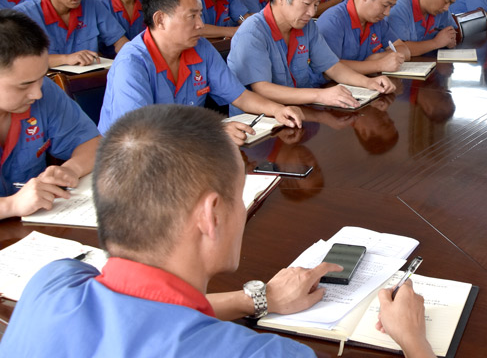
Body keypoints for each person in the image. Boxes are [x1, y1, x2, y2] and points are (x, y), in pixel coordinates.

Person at [0, 103, 436, 358]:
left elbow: (143, 306)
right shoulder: (263, 354)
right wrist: (414, 342)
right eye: (240, 198)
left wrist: (258, 299)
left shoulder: (51, 284)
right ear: (210, 214)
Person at [98, 0, 303, 145]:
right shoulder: (131, 64)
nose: (200, 24)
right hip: (134, 162)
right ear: (160, 19)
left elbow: (240, 96)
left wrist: (278, 110)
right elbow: (141, 135)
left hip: (186, 150)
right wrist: (212, 131)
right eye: (192, 16)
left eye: (201, 15)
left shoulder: (200, 47)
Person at [228, 0, 396, 112]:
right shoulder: (253, 32)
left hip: (299, 110)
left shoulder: (306, 26)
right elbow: (263, 89)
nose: (311, 12)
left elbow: (332, 67)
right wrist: (320, 95)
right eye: (307, 3)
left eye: (316, 4)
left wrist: (369, 83)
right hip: (260, 121)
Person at [0, 10, 100, 218]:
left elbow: (92, 143)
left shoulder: (44, 90)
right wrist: (11, 205)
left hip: (33, 225)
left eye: (41, 77)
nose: (37, 93)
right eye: (24, 85)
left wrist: (71, 170)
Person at [317, 0, 411, 75]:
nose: (387, 13)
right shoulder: (333, 20)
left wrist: (377, 57)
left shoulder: (377, 21)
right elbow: (330, 67)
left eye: (391, 7)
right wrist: (378, 64)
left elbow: (404, 51)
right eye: (385, 5)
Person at [387, 0, 460, 56]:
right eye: (446, 1)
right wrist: (436, 43)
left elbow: (452, 32)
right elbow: (398, 49)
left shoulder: (441, 10)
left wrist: (450, 39)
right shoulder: (399, 6)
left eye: (450, 4)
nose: (446, 8)